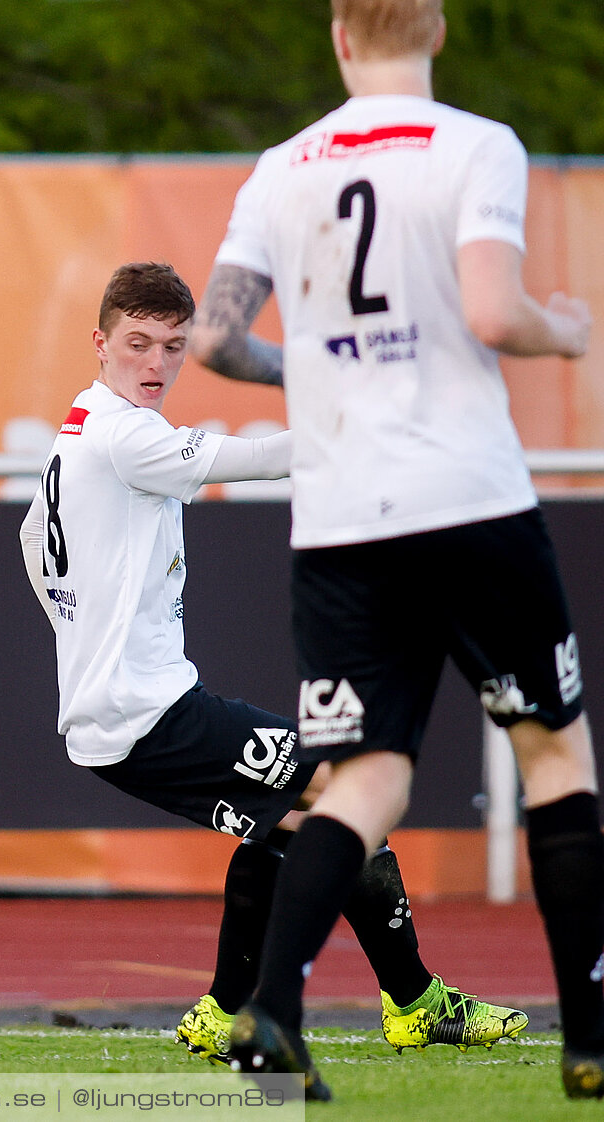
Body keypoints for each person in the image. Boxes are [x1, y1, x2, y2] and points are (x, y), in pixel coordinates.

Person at [190, 0, 599, 1101]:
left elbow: (218, 339)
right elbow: (493, 309)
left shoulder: (283, 166)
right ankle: (591, 1037)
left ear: (337, 37)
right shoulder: (476, 146)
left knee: (363, 776)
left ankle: (271, 1014)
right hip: (468, 499)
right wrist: (562, 328)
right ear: (438, 31)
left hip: (342, 522)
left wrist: (317, 371)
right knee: (553, 757)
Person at [20, 261, 525, 1081]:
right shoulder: (125, 433)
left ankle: (231, 1010)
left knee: (297, 816)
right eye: (137, 343)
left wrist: (86, 636)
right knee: (343, 792)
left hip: (131, 709)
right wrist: (363, 433)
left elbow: (32, 543)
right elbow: (255, 460)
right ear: (99, 343)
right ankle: (413, 1003)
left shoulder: (78, 428)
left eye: (173, 347)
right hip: (145, 714)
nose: (155, 363)